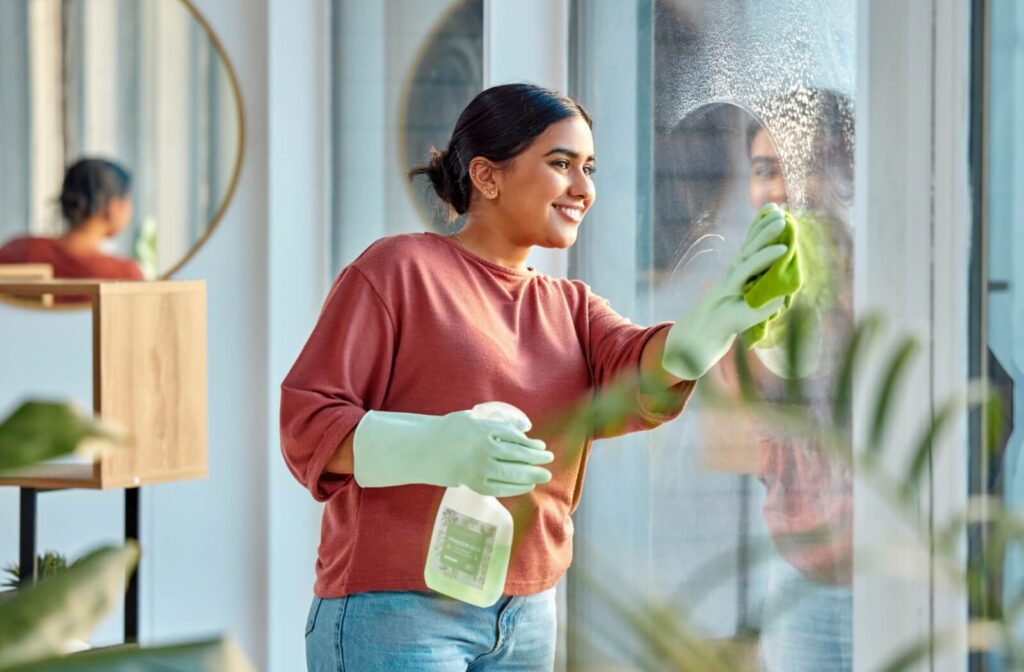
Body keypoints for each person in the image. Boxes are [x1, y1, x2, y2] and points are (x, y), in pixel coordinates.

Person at [280, 83, 791, 671]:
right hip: (397, 615)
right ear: (487, 176)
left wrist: (704, 332)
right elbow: (307, 424)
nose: (584, 189)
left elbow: (638, 369)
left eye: (589, 168)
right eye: (561, 164)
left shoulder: (570, 307)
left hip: (526, 616)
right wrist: (434, 448)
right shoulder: (398, 270)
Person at [733, 89, 855, 672]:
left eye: (803, 165)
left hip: (885, 572)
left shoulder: (892, 275)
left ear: (842, 169)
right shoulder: (767, 282)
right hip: (795, 566)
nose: (779, 188)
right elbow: (757, 405)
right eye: (764, 170)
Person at [0, 158, 143, 285]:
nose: (130, 213)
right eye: (128, 202)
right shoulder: (124, 277)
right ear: (112, 208)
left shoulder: (17, 253)